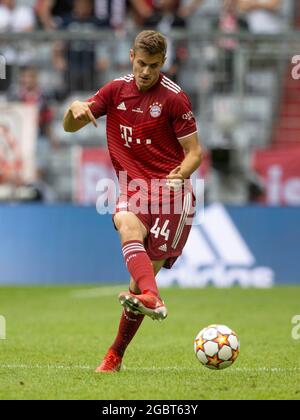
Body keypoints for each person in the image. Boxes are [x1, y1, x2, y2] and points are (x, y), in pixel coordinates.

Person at [63, 30, 202, 372]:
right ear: (131, 57)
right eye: (141, 63)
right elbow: (70, 127)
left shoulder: (174, 99)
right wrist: (73, 108)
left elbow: (195, 153)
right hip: (135, 189)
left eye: (153, 66)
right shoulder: (114, 91)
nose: (145, 71)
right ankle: (151, 298)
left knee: (134, 289)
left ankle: (117, 353)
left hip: (172, 195)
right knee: (124, 220)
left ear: (163, 63)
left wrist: (179, 175)